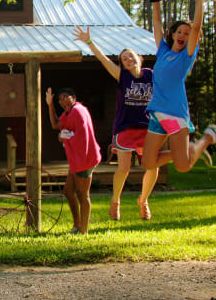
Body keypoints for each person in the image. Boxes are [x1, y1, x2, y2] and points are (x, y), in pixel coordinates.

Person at [141, 0, 216, 178]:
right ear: (173, 34)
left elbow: (197, 26)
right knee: (147, 162)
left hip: (174, 113)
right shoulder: (163, 51)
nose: (183, 35)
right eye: (180, 31)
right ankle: (187, 150)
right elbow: (156, 22)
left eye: (187, 34)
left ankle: (208, 137)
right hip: (157, 113)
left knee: (182, 166)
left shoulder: (186, 56)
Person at [72, 26, 158, 220]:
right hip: (125, 127)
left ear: (139, 57)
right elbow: (104, 60)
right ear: (123, 65)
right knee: (124, 168)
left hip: (147, 128)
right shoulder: (123, 76)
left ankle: (143, 201)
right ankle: (115, 200)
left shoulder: (150, 75)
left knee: (153, 166)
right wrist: (89, 42)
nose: (128, 59)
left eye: (131, 56)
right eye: (124, 59)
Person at [46, 87, 101, 234]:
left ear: (74, 98)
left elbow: (83, 135)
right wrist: (50, 105)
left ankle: (84, 231)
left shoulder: (78, 110)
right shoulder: (69, 113)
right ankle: (77, 225)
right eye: (60, 100)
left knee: (83, 194)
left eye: (66, 97)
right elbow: (55, 125)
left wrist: (64, 136)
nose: (63, 101)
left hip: (85, 158)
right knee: (68, 192)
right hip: (76, 160)